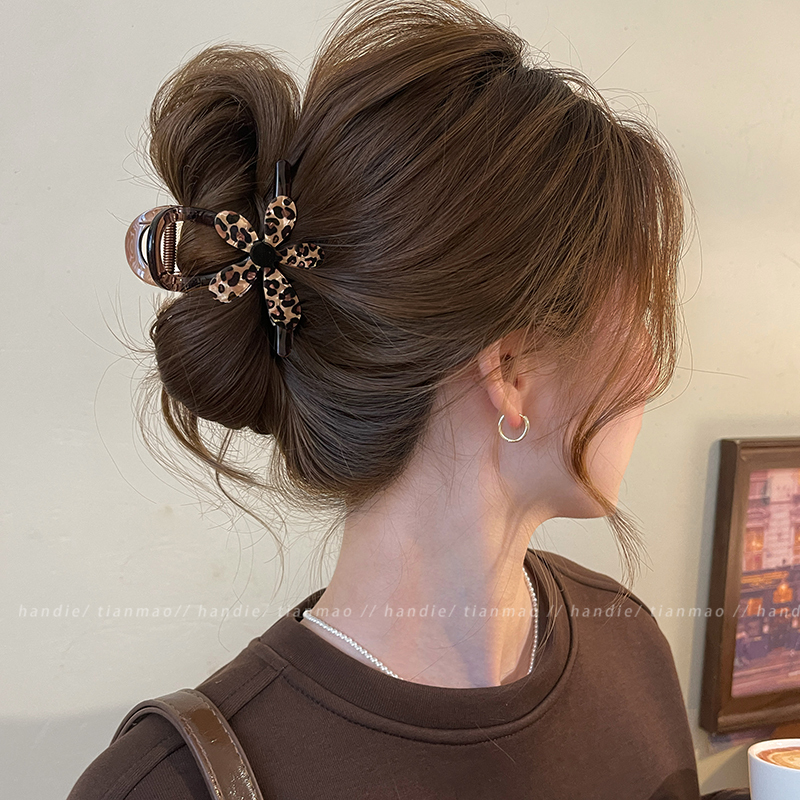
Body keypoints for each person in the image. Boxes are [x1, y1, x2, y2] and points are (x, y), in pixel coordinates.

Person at [66, 0, 750, 797]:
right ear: (512, 369)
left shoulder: (628, 646)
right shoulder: (161, 788)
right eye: (634, 314)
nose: (652, 365)